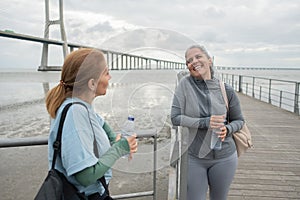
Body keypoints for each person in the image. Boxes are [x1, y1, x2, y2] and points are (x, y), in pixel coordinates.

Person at [45, 48, 138, 199]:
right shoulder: (75, 113)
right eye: (106, 72)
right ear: (92, 83)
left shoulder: (84, 108)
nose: (110, 77)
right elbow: (85, 176)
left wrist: (116, 140)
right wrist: (120, 148)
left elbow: (102, 126)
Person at [171, 45, 244, 200]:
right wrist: (205, 122)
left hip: (224, 157)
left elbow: (239, 120)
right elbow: (175, 117)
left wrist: (228, 129)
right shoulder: (184, 86)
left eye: (198, 57)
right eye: (189, 61)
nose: (193, 62)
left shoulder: (226, 90)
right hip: (194, 158)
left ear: (209, 61)